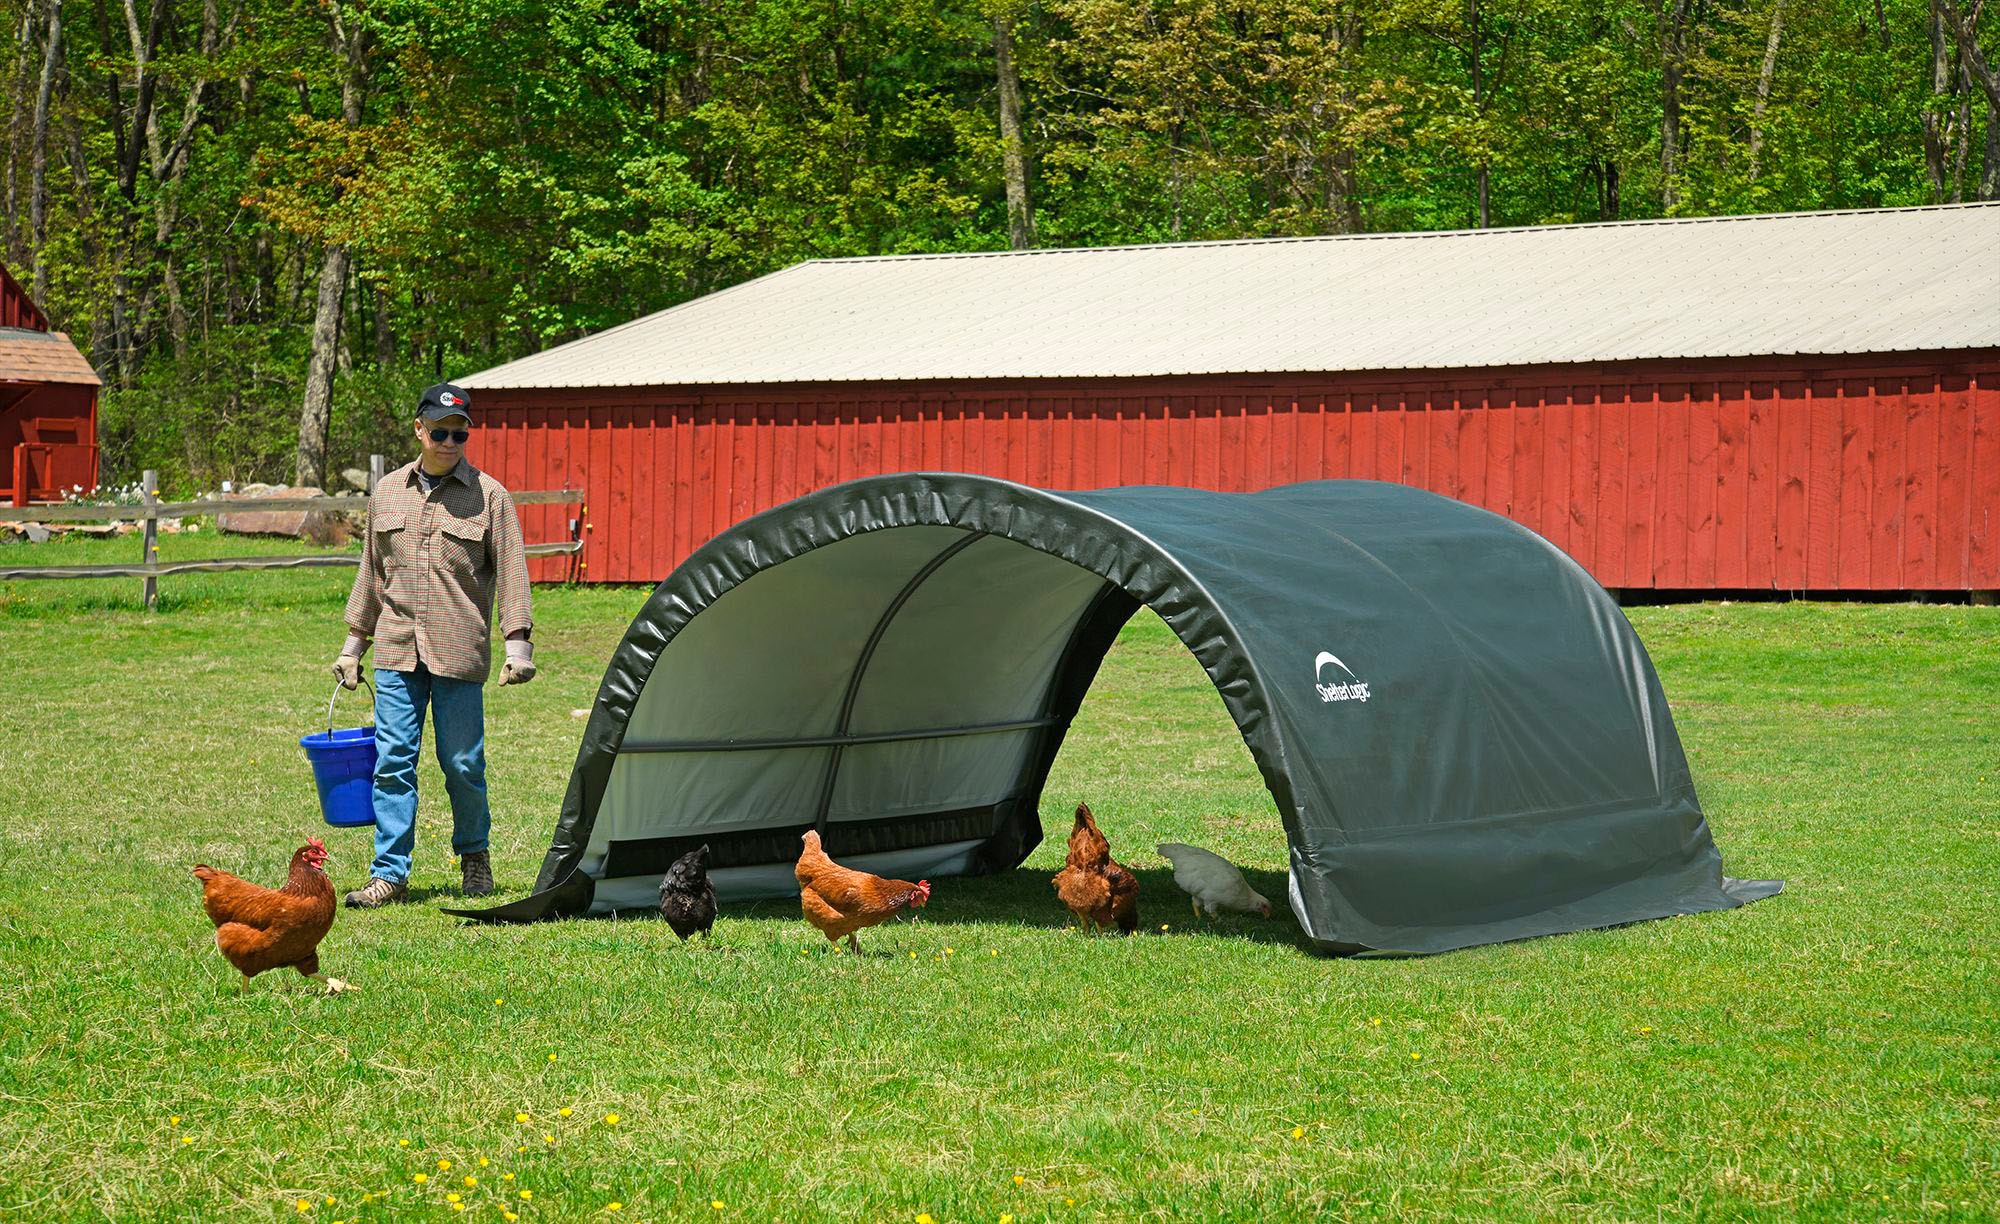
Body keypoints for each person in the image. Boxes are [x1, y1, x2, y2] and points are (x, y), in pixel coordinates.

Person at [332, 383, 535, 907]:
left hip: (459, 649)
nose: (450, 441)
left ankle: (474, 856)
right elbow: (372, 575)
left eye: (459, 433)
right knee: (393, 759)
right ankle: (389, 874)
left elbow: (512, 574)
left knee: (462, 763)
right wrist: (354, 645)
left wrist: (518, 646)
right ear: (419, 429)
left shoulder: (490, 496)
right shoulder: (388, 492)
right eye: (440, 432)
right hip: (398, 649)